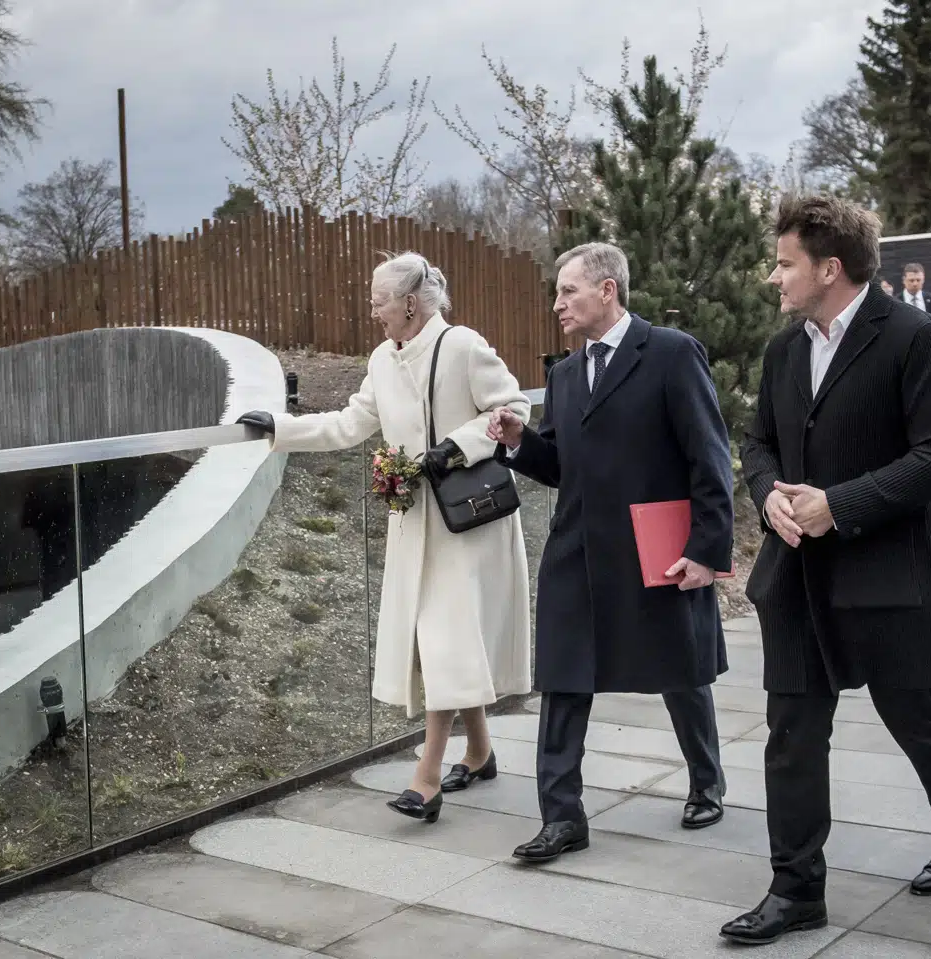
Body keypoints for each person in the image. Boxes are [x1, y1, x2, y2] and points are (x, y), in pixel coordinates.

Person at [722, 195, 931, 947]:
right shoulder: (785, 349)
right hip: (798, 577)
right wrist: (768, 494)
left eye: (784, 264)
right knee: (792, 731)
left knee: (914, 715)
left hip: (890, 572)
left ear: (829, 268)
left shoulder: (919, 339)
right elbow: (759, 441)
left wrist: (838, 505)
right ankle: (795, 889)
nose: (773, 277)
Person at [236, 252, 533, 823]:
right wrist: (280, 427)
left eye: (379, 300)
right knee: (441, 639)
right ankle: (479, 751)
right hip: (416, 521)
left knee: (444, 638)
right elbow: (349, 423)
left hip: (468, 521)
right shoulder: (382, 359)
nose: (372, 310)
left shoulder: (462, 346)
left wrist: (454, 447)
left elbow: (513, 408)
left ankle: (426, 778)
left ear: (410, 303)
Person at [487, 241, 735, 863]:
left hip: (656, 548)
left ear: (607, 290)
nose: (557, 303)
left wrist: (706, 549)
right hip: (576, 552)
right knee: (563, 679)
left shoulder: (672, 353)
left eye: (568, 290)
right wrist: (519, 442)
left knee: (681, 671)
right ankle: (562, 817)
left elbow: (709, 457)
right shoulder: (564, 375)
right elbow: (560, 466)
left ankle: (706, 780)